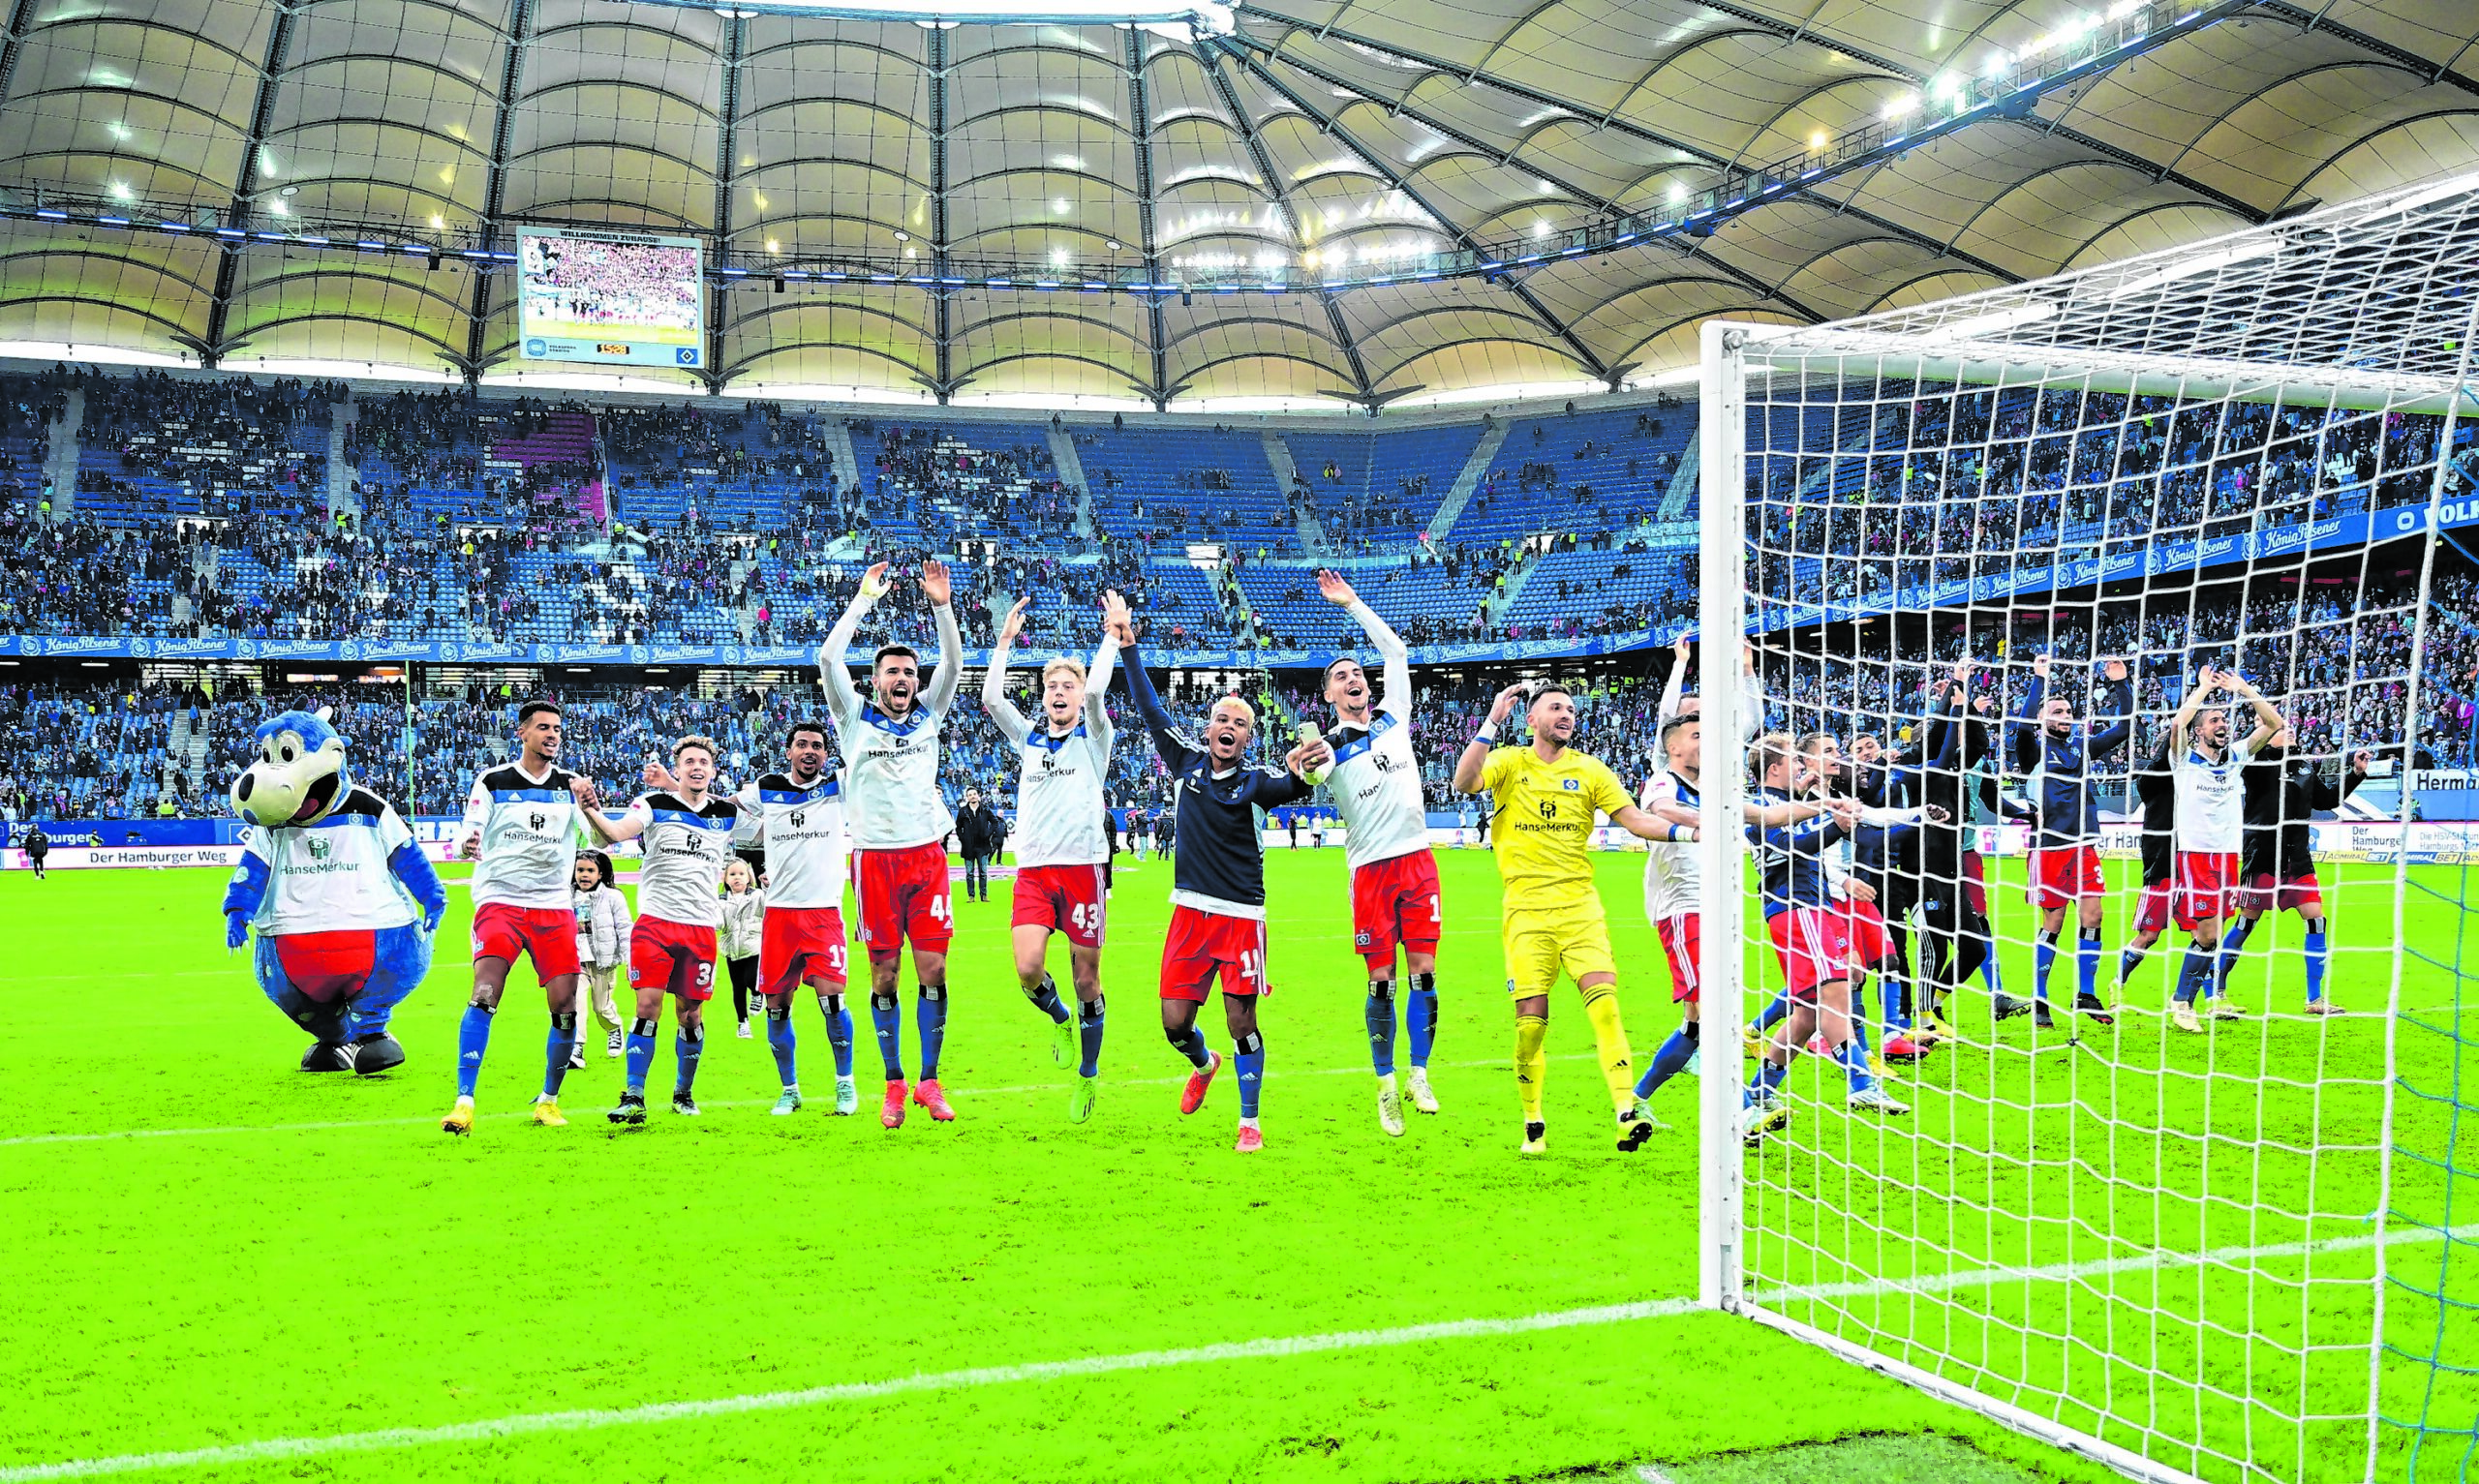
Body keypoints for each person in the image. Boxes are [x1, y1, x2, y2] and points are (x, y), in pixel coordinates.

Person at [1115, 602, 1328, 1152]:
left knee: (1241, 1021)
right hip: (1188, 912)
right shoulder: (1184, 763)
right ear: (1208, 728)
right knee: (1174, 1024)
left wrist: (1308, 766)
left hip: (1240, 919)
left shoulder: (1257, 782)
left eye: (1240, 723)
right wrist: (1129, 643)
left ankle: (1249, 1121)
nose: (1228, 728)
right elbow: (1149, 708)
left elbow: (1296, 786)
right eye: (1222, 720)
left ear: (1248, 737)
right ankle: (1204, 1063)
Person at [1451, 682, 1699, 1155]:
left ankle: (1626, 1112)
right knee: (1531, 1025)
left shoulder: (1590, 770)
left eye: (1570, 708)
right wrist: (1491, 721)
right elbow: (1464, 782)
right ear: (1531, 719)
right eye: (1555, 707)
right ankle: (1533, 1122)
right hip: (1525, 910)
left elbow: (1633, 819)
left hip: (1580, 907)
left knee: (1605, 1007)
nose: (1567, 714)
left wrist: (1689, 832)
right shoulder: (1507, 761)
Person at [820, 559, 964, 1128]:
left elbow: (953, 662)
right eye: (891, 673)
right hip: (874, 860)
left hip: (926, 858)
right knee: (884, 976)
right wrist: (862, 600)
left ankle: (930, 1080)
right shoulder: (852, 718)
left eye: (908, 672)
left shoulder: (931, 714)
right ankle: (894, 1083)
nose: (902, 680)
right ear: (875, 680)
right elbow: (829, 658)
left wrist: (941, 605)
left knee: (933, 970)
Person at [982, 589, 1123, 1121]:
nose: (1060, 692)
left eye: (1068, 684)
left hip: (1083, 869)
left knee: (1089, 979)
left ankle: (1088, 1075)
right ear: (1042, 695)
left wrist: (1110, 638)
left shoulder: (1095, 737)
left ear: (1081, 691)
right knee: (1027, 968)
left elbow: (1097, 696)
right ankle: (1060, 1017)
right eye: (1052, 686)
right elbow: (993, 701)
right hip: (1035, 871)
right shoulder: (1030, 739)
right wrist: (1004, 643)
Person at [1314, 567, 1445, 1134]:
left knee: (1424, 973)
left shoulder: (1397, 718)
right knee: (1382, 980)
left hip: (1418, 858)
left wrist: (1351, 603)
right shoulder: (1326, 750)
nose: (1354, 679)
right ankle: (1385, 1086)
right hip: (1370, 871)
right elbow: (1304, 777)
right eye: (1341, 677)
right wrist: (1303, 763)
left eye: (1357, 673)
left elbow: (1395, 650)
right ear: (1328, 695)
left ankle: (1418, 1074)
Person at [1739, 733, 1904, 1143]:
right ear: (1774, 767)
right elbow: (1791, 848)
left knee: (1808, 1015)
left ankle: (1754, 1095)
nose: (1802, 767)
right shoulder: (1762, 807)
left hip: (1813, 908)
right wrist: (1835, 827)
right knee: (1835, 994)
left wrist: (1836, 820)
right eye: (1796, 761)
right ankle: (1861, 1084)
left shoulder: (1793, 804)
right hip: (1795, 909)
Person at [572, 735, 741, 1122]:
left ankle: (683, 1093)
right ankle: (633, 1096)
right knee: (647, 1007)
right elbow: (613, 834)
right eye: (689, 762)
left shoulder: (726, 814)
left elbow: (774, 829)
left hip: (700, 928)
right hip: (655, 924)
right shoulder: (652, 805)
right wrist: (591, 808)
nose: (697, 767)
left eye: (704, 762)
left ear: (713, 771)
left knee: (691, 1015)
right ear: (677, 768)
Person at [444, 700, 586, 1135]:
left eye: (558, 728)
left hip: (553, 906)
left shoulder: (571, 786)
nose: (553, 734)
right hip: (501, 902)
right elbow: (470, 826)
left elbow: (597, 835)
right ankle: (464, 1102)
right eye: (543, 727)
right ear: (522, 733)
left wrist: (593, 804)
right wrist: (467, 841)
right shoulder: (494, 781)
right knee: (485, 992)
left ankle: (548, 1100)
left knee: (565, 1007)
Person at [2007, 653, 2132, 1028]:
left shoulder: (2081, 748)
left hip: (2083, 845)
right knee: (2055, 922)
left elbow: (2123, 729)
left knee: (2094, 915)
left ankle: (2086, 994)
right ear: (2044, 717)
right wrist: (2039, 680)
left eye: (2067, 710)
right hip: (2049, 848)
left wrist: (2120, 684)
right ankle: (2040, 997)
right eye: (2056, 711)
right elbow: (2023, 730)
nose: (2064, 715)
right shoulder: (2033, 750)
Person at [2166, 666, 2282, 1032]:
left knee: (2212, 934)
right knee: (2209, 934)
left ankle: (2195, 999)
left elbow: (2274, 723)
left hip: (2228, 854)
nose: (2222, 725)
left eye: (2224, 720)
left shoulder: (2236, 756)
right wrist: (2203, 690)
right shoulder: (2184, 758)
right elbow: (2176, 725)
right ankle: (2182, 1002)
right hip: (2196, 853)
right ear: (2200, 730)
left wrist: (2244, 688)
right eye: (2214, 720)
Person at [2219, 732, 2369, 1014]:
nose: (2290, 731)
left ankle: (2314, 999)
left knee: (2317, 921)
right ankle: (2216, 988)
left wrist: (2356, 773)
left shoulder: (2302, 765)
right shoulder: (2256, 763)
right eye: (2281, 728)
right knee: (2245, 924)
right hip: (2262, 856)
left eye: (2292, 728)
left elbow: (2325, 800)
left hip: (2297, 859)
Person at [569, 851, 631, 1067]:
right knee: (575, 1003)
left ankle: (613, 1027)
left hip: (603, 963)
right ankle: (576, 1047)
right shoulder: (566, 895)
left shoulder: (613, 897)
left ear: (600, 873)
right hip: (575, 962)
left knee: (601, 1006)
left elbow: (624, 928)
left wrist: (630, 960)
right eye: (580, 870)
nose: (584, 875)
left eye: (590, 870)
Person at [719, 860, 764, 1040]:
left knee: (751, 978)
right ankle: (742, 1022)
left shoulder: (757, 895)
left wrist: (768, 888)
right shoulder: (721, 900)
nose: (737, 878)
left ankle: (757, 993)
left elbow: (767, 909)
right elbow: (719, 922)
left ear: (749, 877)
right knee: (737, 987)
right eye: (732, 874)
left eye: (741, 874)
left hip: (753, 946)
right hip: (732, 949)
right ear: (726, 879)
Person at [955, 787, 1005, 904]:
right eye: (970, 795)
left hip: (983, 846)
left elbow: (995, 822)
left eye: (974, 794)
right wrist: (963, 838)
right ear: (967, 797)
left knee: (983, 872)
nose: (972, 796)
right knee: (969, 873)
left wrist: (988, 833)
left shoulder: (985, 809)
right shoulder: (963, 811)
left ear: (978, 795)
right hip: (968, 847)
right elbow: (958, 827)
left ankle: (984, 895)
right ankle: (971, 896)